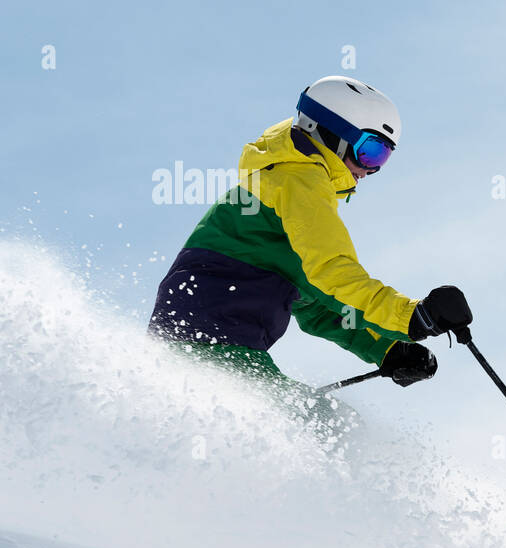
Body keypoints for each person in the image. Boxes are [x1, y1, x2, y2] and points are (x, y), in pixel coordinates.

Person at [149, 76, 472, 406]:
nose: (371, 171)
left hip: (200, 335)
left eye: (384, 157)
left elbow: (318, 302)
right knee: (322, 428)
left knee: (316, 421)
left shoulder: (287, 178)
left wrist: (386, 348)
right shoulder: (300, 179)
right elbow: (334, 272)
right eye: (370, 152)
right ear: (332, 134)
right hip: (211, 337)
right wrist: (412, 316)